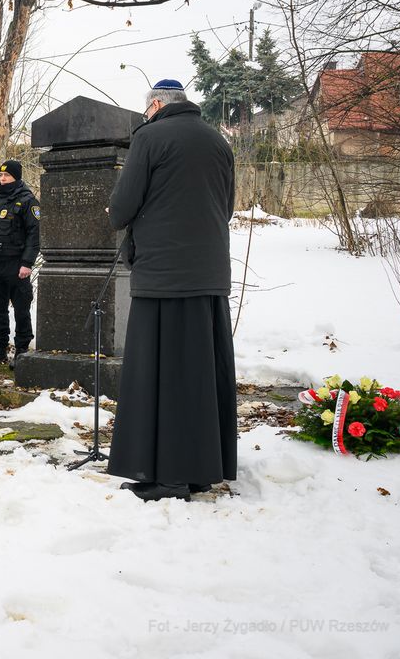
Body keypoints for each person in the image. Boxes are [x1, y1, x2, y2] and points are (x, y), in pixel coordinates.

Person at [107, 79, 237, 502]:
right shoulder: (219, 143)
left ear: (156, 105)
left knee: (160, 377)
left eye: (146, 110)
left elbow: (121, 209)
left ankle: (167, 475)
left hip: (163, 277)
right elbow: (227, 207)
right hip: (208, 277)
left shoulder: (150, 137)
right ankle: (200, 470)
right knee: (198, 375)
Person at [0, 160, 41, 367]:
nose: (2, 179)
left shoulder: (28, 200)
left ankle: (21, 350)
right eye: (1, 175)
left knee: (21, 309)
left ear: (16, 177)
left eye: (7, 176)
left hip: (17, 264)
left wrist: (27, 263)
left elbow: (34, 235)